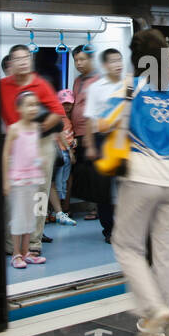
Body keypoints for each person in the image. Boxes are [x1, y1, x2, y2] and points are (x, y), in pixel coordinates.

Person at [104, 30, 169, 336]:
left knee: (126, 245)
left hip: (141, 176)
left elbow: (103, 123)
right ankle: (159, 319)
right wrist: (168, 141)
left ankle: (152, 310)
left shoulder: (131, 87)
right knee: (167, 251)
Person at [0, 45, 65, 255]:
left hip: (41, 144)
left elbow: (58, 112)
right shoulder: (2, 86)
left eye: (26, 57)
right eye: (17, 59)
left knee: (39, 195)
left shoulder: (41, 84)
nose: (22, 62)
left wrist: (37, 130)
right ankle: (13, 245)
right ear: (10, 63)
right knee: (14, 198)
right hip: (16, 141)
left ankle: (34, 243)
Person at [84, 47, 129, 244]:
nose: (118, 64)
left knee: (127, 185)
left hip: (126, 140)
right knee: (104, 190)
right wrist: (91, 146)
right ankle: (109, 229)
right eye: (113, 61)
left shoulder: (129, 84)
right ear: (104, 65)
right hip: (103, 141)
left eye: (120, 60)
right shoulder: (96, 87)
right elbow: (89, 118)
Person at [3, 91, 46, 269]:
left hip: (33, 178)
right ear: (19, 108)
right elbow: (6, 154)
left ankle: (27, 252)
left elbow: (34, 150)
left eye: (35, 104)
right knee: (18, 217)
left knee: (31, 216)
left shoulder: (36, 128)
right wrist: (6, 180)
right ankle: (16, 254)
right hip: (18, 180)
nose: (33, 108)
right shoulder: (14, 129)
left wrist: (40, 163)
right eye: (28, 105)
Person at [67, 45, 99, 220]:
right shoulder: (78, 81)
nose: (78, 63)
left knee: (94, 172)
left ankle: (97, 209)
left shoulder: (99, 80)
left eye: (82, 59)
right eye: (76, 60)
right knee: (83, 173)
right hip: (77, 134)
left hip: (92, 133)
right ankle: (92, 206)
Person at [49, 89, 77, 226]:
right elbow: (62, 135)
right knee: (58, 182)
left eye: (69, 104)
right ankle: (57, 211)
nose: (66, 107)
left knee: (63, 181)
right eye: (63, 104)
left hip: (65, 152)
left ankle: (58, 211)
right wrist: (70, 150)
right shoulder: (58, 119)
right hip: (61, 153)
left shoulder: (67, 119)